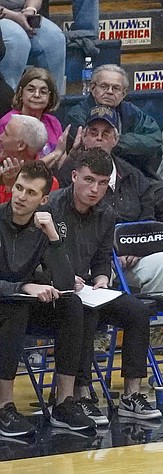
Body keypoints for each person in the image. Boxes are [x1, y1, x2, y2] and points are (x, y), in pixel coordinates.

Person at [52, 147, 161, 425]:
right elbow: (39, 258)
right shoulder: (51, 206)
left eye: (102, 183)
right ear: (74, 176)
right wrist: (63, 278)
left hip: (88, 288)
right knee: (82, 311)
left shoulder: (106, 213)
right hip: (56, 290)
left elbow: (101, 258)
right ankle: (82, 393)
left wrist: (102, 278)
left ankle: (131, 395)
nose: (95, 189)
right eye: (89, 180)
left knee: (137, 311)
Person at [0, 160, 93, 435]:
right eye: (19, 188)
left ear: (44, 199)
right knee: (17, 307)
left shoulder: (43, 226)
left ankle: (63, 402)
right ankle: (4, 406)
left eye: (30, 193)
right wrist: (24, 287)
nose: (21, 197)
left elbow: (65, 284)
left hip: (20, 307)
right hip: (9, 304)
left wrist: (53, 236)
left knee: (71, 304)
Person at [57, 106, 163, 295]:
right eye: (93, 132)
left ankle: (156, 323)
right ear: (84, 137)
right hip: (95, 256)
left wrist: (136, 247)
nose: (99, 138)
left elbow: (148, 216)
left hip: (133, 254)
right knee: (95, 273)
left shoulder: (132, 174)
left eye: (106, 133)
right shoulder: (70, 172)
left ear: (115, 140)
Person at [63, 65, 162, 179]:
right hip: (88, 173)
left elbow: (154, 139)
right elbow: (93, 145)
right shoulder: (77, 114)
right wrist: (114, 142)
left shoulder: (132, 112)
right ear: (92, 88)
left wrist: (115, 142)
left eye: (116, 88)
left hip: (133, 172)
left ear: (124, 93)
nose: (109, 92)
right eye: (104, 86)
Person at [0, 68, 66, 169]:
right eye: (31, 90)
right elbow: (14, 168)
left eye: (43, 92)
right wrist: (55, 155)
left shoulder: (53, 123)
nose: (36, 95)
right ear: (21, 92)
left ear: (50, 96)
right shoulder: (8, 122)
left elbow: (62, 160)